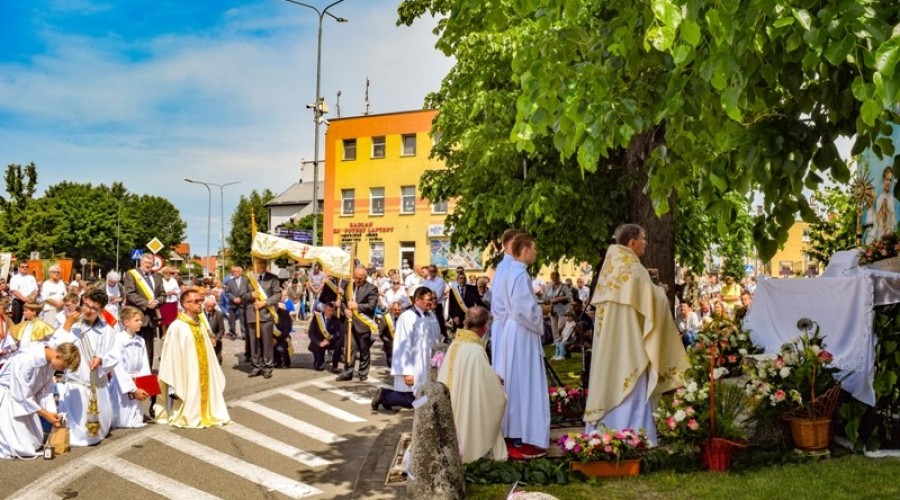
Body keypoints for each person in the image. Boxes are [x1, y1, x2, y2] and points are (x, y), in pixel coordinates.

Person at [584, 224, 689, 446]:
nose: (646, 244)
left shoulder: (611, 265)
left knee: (611, 379)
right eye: (644, 239)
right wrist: (662, 291)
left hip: (610, 342)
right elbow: (653, 301)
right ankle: (634, 435)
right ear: (632, 242)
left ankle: (605, 433)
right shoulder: (633, 269)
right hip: (630, 343)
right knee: (633, 386)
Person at [494, 233, 549, 459]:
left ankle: (517, 432)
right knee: (524, 381)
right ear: (524, 250)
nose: (535, 252)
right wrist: (540, 317)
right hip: (522, 331)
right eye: (533, 248)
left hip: (514, 330)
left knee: (516, 381)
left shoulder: (510, 272)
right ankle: (523, 435)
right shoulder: (518, 273)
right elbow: (524, 308)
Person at [436, 305, 507, 463]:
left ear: (465, 322)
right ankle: (472, 448)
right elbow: (485, 385)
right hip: (464, 407)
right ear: (485, 326)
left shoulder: (456, 343)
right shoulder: (475, 350)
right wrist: (496, 381)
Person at [52, 288, 121, 447]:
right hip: (76, 382)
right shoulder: (72, 325)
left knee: (98, 428)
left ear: (101, 310)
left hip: (97, 383)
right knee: (75, 426)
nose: (88, 310)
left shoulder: (107, 330)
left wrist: (101, 360)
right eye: (86, 305)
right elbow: (57, 347)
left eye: (94, 308)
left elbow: (115, 353)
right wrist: (68, 324)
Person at [155, 288, 230, 428]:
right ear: (186, 304)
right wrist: (173, 384)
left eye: (200, 300)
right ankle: (189, 414)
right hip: (186, 372)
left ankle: (206, 412)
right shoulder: (177, 326)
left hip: (203, 371)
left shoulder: (200, 324)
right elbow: (170, 358)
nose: (199, 304)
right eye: (196, 301)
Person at [0, 342, 80, 459]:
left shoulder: (50, 362)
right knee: (20, 447)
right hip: (8, 396)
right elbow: (21, 395)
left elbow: (45, 392)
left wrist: (52, 413)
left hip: (24, 401)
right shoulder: (27, 359)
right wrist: (45, 415)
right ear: (58, 356)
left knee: (35, 441)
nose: (62, 371)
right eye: (63, 367)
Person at [372, 287, 441, 410]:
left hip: (427, 367)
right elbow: (402, 346)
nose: (430, 302)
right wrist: (407, 372)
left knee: (422, 399)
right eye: (428, 300)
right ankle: (384, 396)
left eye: (432, 299)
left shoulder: (431, 316)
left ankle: (388, 397)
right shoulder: (407, 317)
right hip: (413, 366)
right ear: (417, 300)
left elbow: (435, 340)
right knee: (411, 400)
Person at [109, 306, 152, 429]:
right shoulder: (118, 339)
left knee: (136, 415)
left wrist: (145, 384)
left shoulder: (141, 340)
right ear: (126, 322)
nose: (140, 323)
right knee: (122, 419)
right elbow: (119, 366)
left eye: (140, 320)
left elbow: (144, 364)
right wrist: (132, 388)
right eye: (137, 320)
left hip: (137, 378)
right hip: (123, 381)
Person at [490, 228, 526, 370]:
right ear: (510, 244)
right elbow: (505, 302)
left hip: (508, 323)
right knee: (507, 369)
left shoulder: (510, 266)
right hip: (507, 324)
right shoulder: (508, 267)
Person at [122, 253, 165, 369]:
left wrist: (157, 301)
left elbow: (162, 294)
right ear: (141, 262)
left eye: (150, 263)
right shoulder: (132, 274)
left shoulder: (157, 277)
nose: (148, 265)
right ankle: (132, 371)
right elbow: (130, 293)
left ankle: (147, 373)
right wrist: (146, 304)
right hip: (136, 316)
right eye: (146, 263)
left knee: (148, 347)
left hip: (151, 318)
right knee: (133, 346)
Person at [336, 266, 379, 382]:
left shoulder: (372, 289)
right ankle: (348, 372)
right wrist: (345, 309)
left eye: (360, 278)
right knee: (350, 348)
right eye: (355, 277)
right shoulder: (349, 286)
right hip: (350, 322)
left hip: (363, 323)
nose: (357, 280)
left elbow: (371, 306)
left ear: (365, 277)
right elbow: (344, 301)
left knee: (364, 349)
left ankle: (363, 373)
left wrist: (357, 307)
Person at [241, 258, 281, 379]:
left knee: (267, 343)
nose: (262, 265)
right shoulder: (248, 279)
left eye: (264, 263)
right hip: (252, 315)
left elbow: (277, 295)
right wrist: (250, 295)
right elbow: (242, 296)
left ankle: (268, 367)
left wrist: (265, 303)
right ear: (255, 265)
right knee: (253, 342)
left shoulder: (273, 278)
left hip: (266, 314)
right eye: (260, 264)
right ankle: (256, 366)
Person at [307, 301, 344, 372]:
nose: (330, 312)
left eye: (332, 311)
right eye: (328, 310)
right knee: (319, 367)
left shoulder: (336, 320)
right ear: (324, 309)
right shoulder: (317, 318)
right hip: (319, 343)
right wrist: (319, 343)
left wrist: (329, 341)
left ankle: (335, 366)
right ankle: (319, 361)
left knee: (339, 343)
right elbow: (311, 333)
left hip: (330, 342)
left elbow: (338, 334)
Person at [224, 265, 251, 360]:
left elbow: (249, 291)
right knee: (231, 319)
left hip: (243, 303)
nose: (235, 273)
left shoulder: (246, 280)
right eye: (234, 271)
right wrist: (233, 298)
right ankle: (232, 332)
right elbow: (227, 292)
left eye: (237, 271)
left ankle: (244, 334)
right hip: (233, 303)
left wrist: (242, 298)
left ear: (241, 272)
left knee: (243, 320)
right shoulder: (230, 281)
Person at [378, 301, 403, 368]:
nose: (397, 311)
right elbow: (380, 333)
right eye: (395, 310)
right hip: (390, 344)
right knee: (391, 363)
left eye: (399, 310)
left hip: (401, 344)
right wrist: (388, 342)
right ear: (391, 309)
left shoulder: (403, 318)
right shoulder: (385, 318)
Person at [203, 295, 226, 365]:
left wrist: (215, 339)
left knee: (216, 362)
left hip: (214, 340)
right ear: (204, 305)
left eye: (212, 307)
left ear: (215, 306)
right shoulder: (200, 314)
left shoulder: (219, 314)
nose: (210, 308)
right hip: (203, 339)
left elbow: (221, 330)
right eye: (208, 306)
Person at [159, 267, 181, 335]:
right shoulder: (160, 281)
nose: (168, 274)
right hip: (164, 302)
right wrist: (165, 293)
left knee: (173, 319)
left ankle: (172, 333)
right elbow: (158, 291)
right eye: (166, 273)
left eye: (169, 273)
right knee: (164, 320)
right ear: (163, 274)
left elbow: (178, 290)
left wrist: (173, 292)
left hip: (173, 302)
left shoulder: (174, 280)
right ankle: (164, 334)